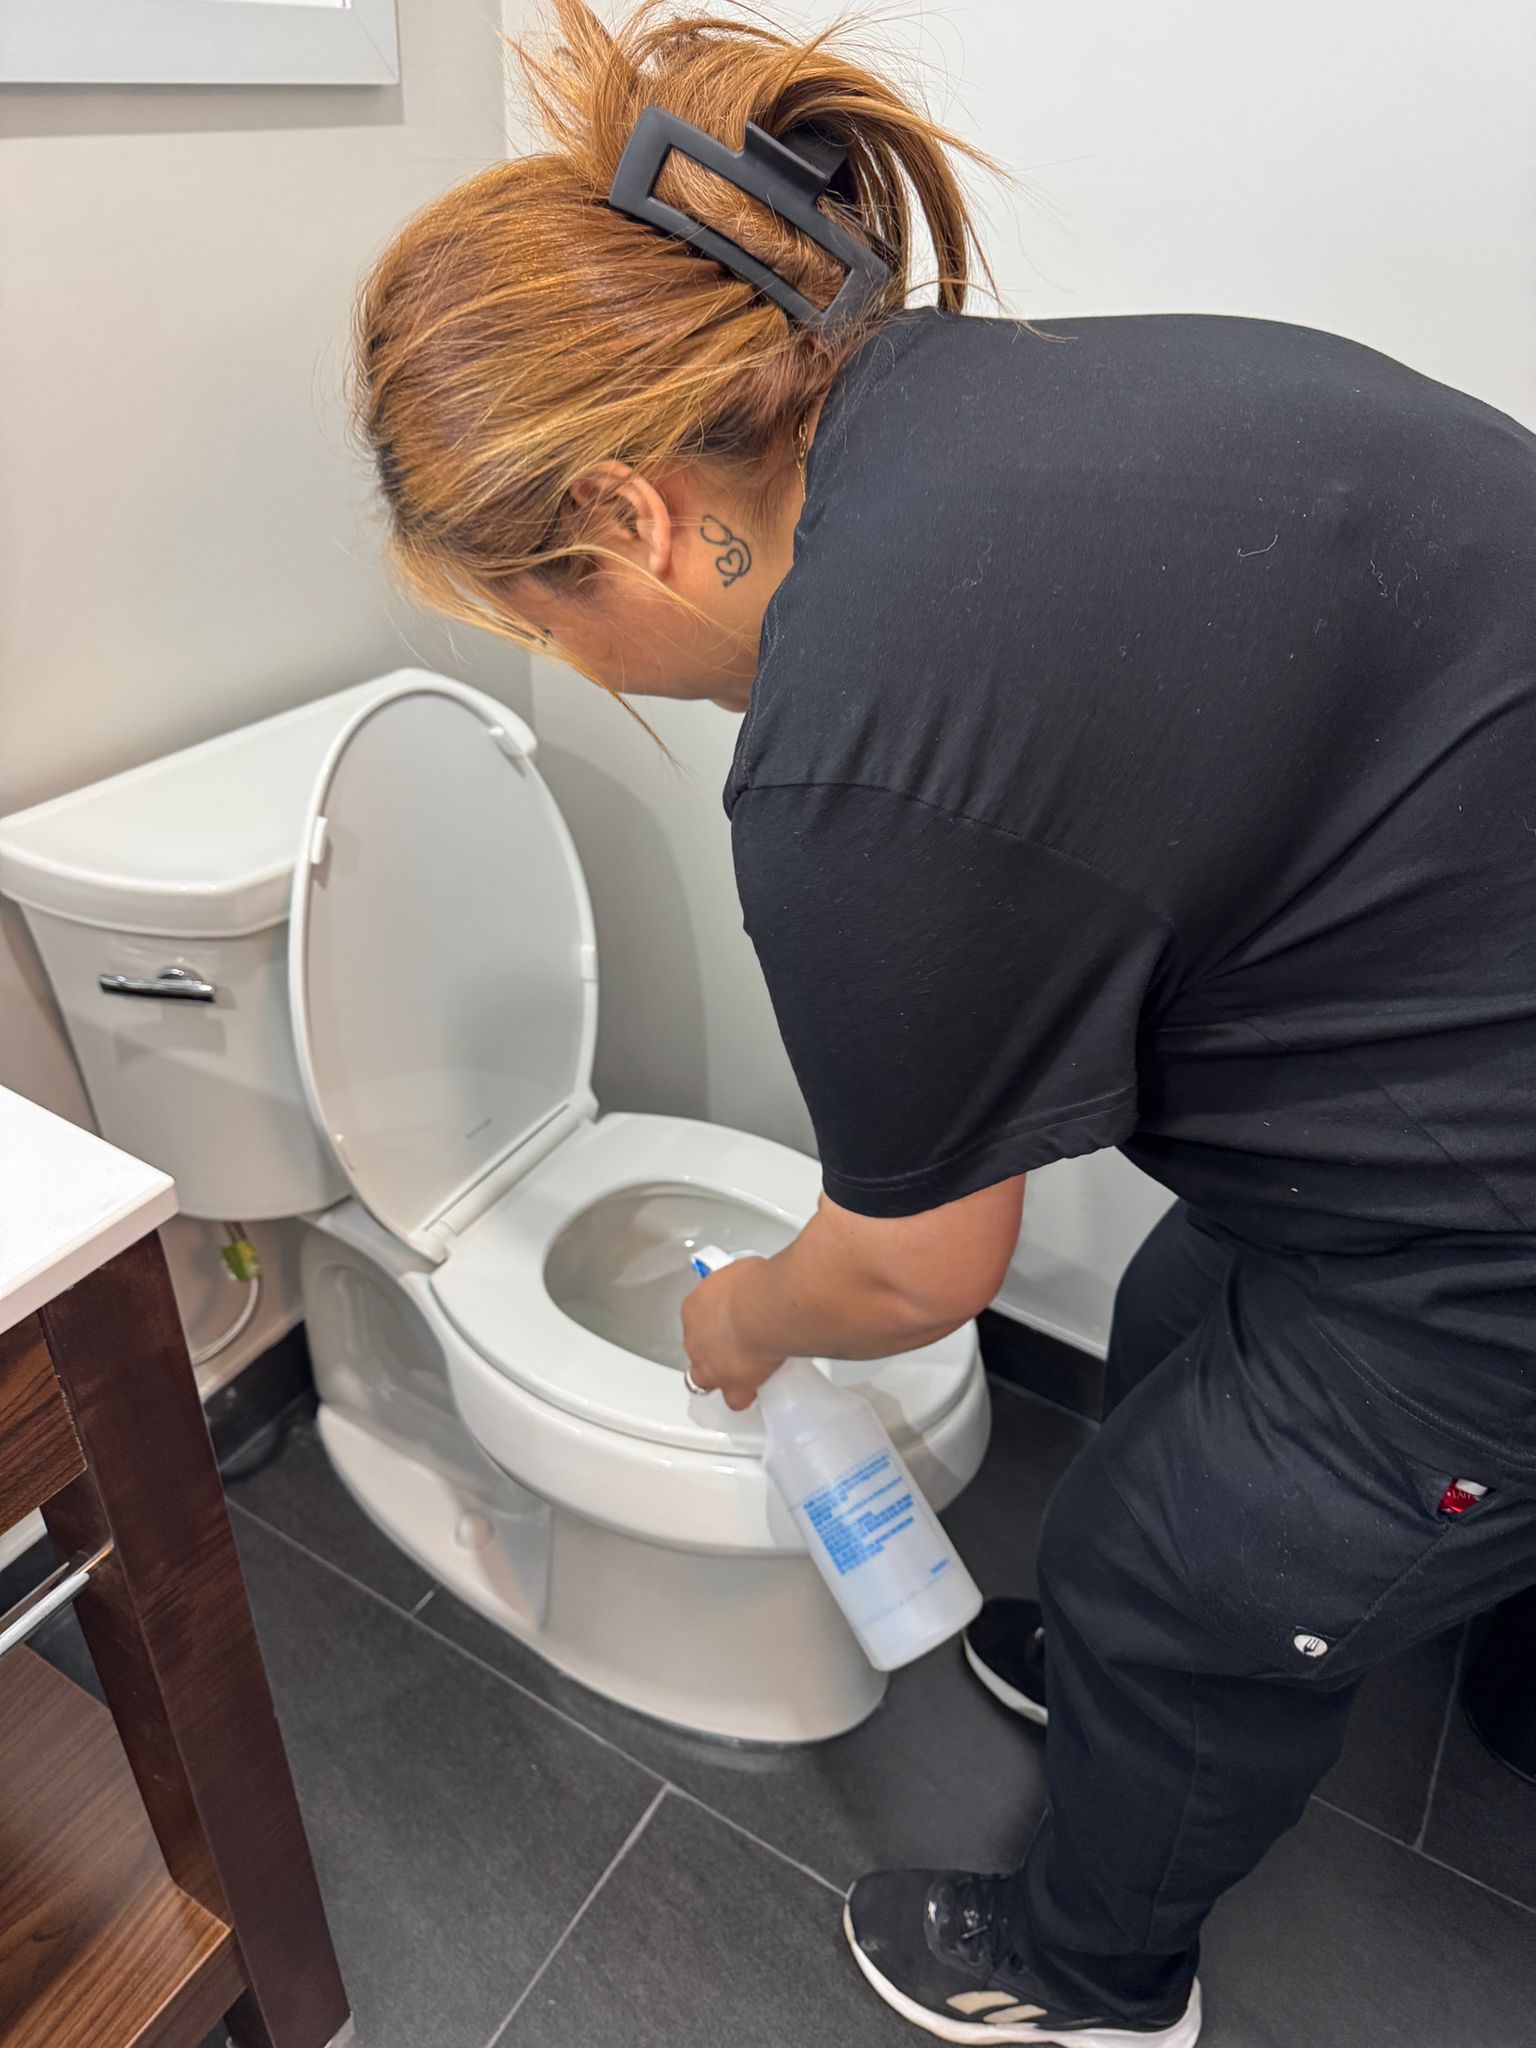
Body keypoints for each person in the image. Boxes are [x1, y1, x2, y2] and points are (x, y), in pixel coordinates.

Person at [351, 4, 1536, 2041]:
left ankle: (1096, 1977)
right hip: (1452, 1045)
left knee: (1186, 1575)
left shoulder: (850, 747)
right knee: (1177, 1334)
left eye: (547, 615)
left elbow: (912, 1268)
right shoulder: (1005, 401)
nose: (588, 662)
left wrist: (741, 1323)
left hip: (1494, 1218)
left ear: (638, 516)